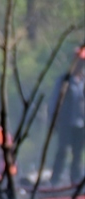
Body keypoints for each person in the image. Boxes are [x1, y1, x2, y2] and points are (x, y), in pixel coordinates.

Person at [49, 49, 85, 187]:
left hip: (81, 124)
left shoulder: (83, 81)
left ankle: (75, 181)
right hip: (65, 123)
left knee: (77, 153)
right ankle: (55, 181)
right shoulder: (64, 80)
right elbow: (54, 101)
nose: (81, 65)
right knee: (62, 151)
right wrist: (53, 121)